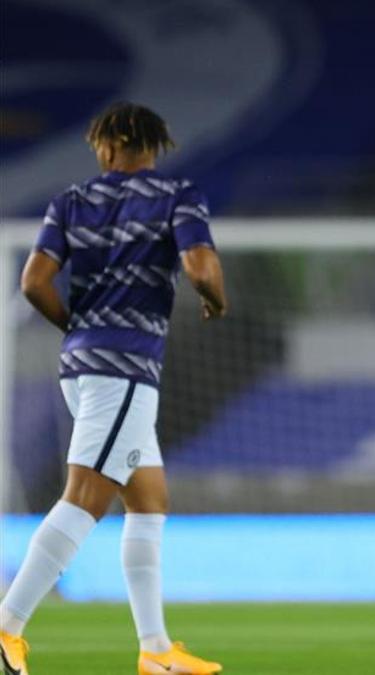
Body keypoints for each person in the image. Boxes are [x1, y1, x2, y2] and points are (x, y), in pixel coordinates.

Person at [0, 102, 226, 675]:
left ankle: (155, 650)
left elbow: (34, 282)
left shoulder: (71, 202)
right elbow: (200, 268)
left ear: (107, 146)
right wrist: (213, 297)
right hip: (124, 370)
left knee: (148, 501)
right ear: (153, 146)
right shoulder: (177, 196)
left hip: (82, 365)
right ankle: (7, 625)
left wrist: (78, 328)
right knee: (83, 499)